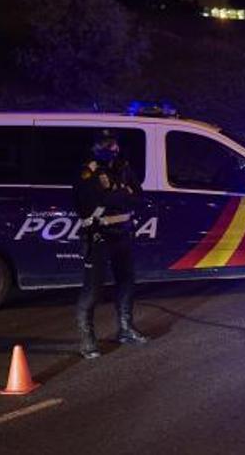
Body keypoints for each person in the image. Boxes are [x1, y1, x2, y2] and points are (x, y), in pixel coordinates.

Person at [74, 131, 149, 359]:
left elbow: (138, 197)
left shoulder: (124, 168)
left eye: (114, 143)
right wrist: (119, 196)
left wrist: (115, 196)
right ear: (96, 148)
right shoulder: (88, 171)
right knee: (93, 289)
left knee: (127, 282)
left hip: (122, 233)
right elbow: (87, 204)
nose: (112, 148)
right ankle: (87, 339)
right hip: (98, 235)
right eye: (106, 144)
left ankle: (125, 329)